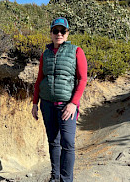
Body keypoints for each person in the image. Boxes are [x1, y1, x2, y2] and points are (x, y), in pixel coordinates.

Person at [31, 17, 87, 182]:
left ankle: (66, 179)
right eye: (56, 31)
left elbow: (83, 79)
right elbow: (39, 79)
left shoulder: (77, 51)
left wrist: (73, 104)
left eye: (63, 31)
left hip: (66, 106)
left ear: (67, 34)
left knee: (68, 143)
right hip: (47, 105)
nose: (59, 34)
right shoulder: (45, 54)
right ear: (51, 33)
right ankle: (55, 178)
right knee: (53, 142)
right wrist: (35, 103)